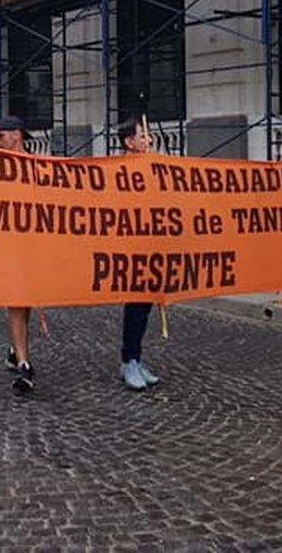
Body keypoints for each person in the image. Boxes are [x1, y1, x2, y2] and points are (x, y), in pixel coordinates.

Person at [117, 118, 163, 391]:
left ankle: (134, 359)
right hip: (131, 249)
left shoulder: (151, 165)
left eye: (149, 135)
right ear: (129, 142)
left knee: (143, 305)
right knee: (136, 304)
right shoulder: (122, 169)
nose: (149, 140)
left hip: (149, 246)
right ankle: (129, 361)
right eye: (143, 136)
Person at [0, 116, 39, 393]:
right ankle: (24, 363)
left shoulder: (36, 166)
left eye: (1, 135)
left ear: (17, 135)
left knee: (27, 302)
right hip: (6, 244)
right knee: (15, 300)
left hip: (31, 244)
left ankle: (16, 348)